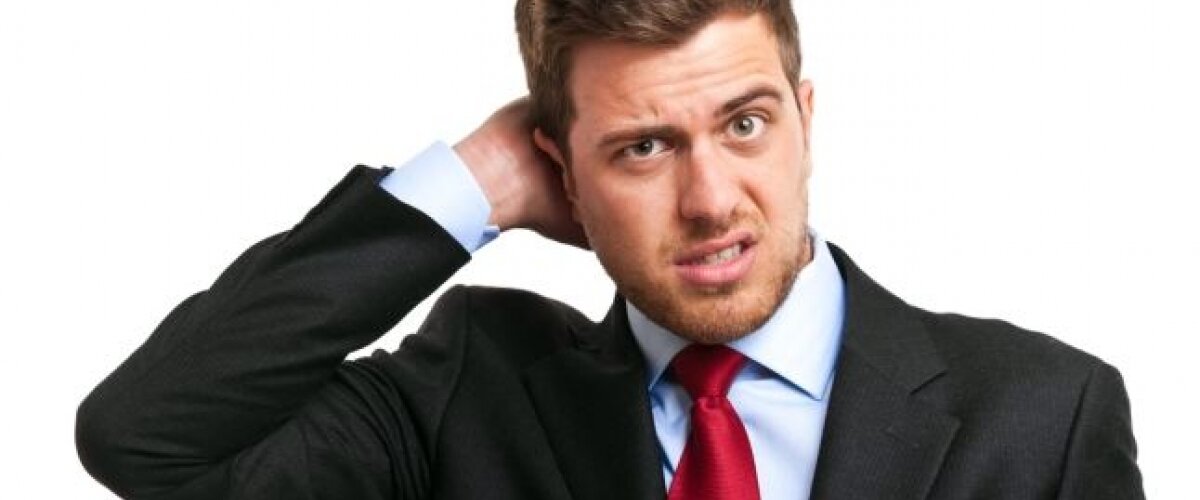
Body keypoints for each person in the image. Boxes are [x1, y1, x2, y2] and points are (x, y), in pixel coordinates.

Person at [76, 1, 1144, 498]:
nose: (711, 201)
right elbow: (148, 441)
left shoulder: (1044, 417)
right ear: (563, 171)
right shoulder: (470, 394)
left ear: (806, 120)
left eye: (745, 123)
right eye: (643, 147)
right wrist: (474, 185)